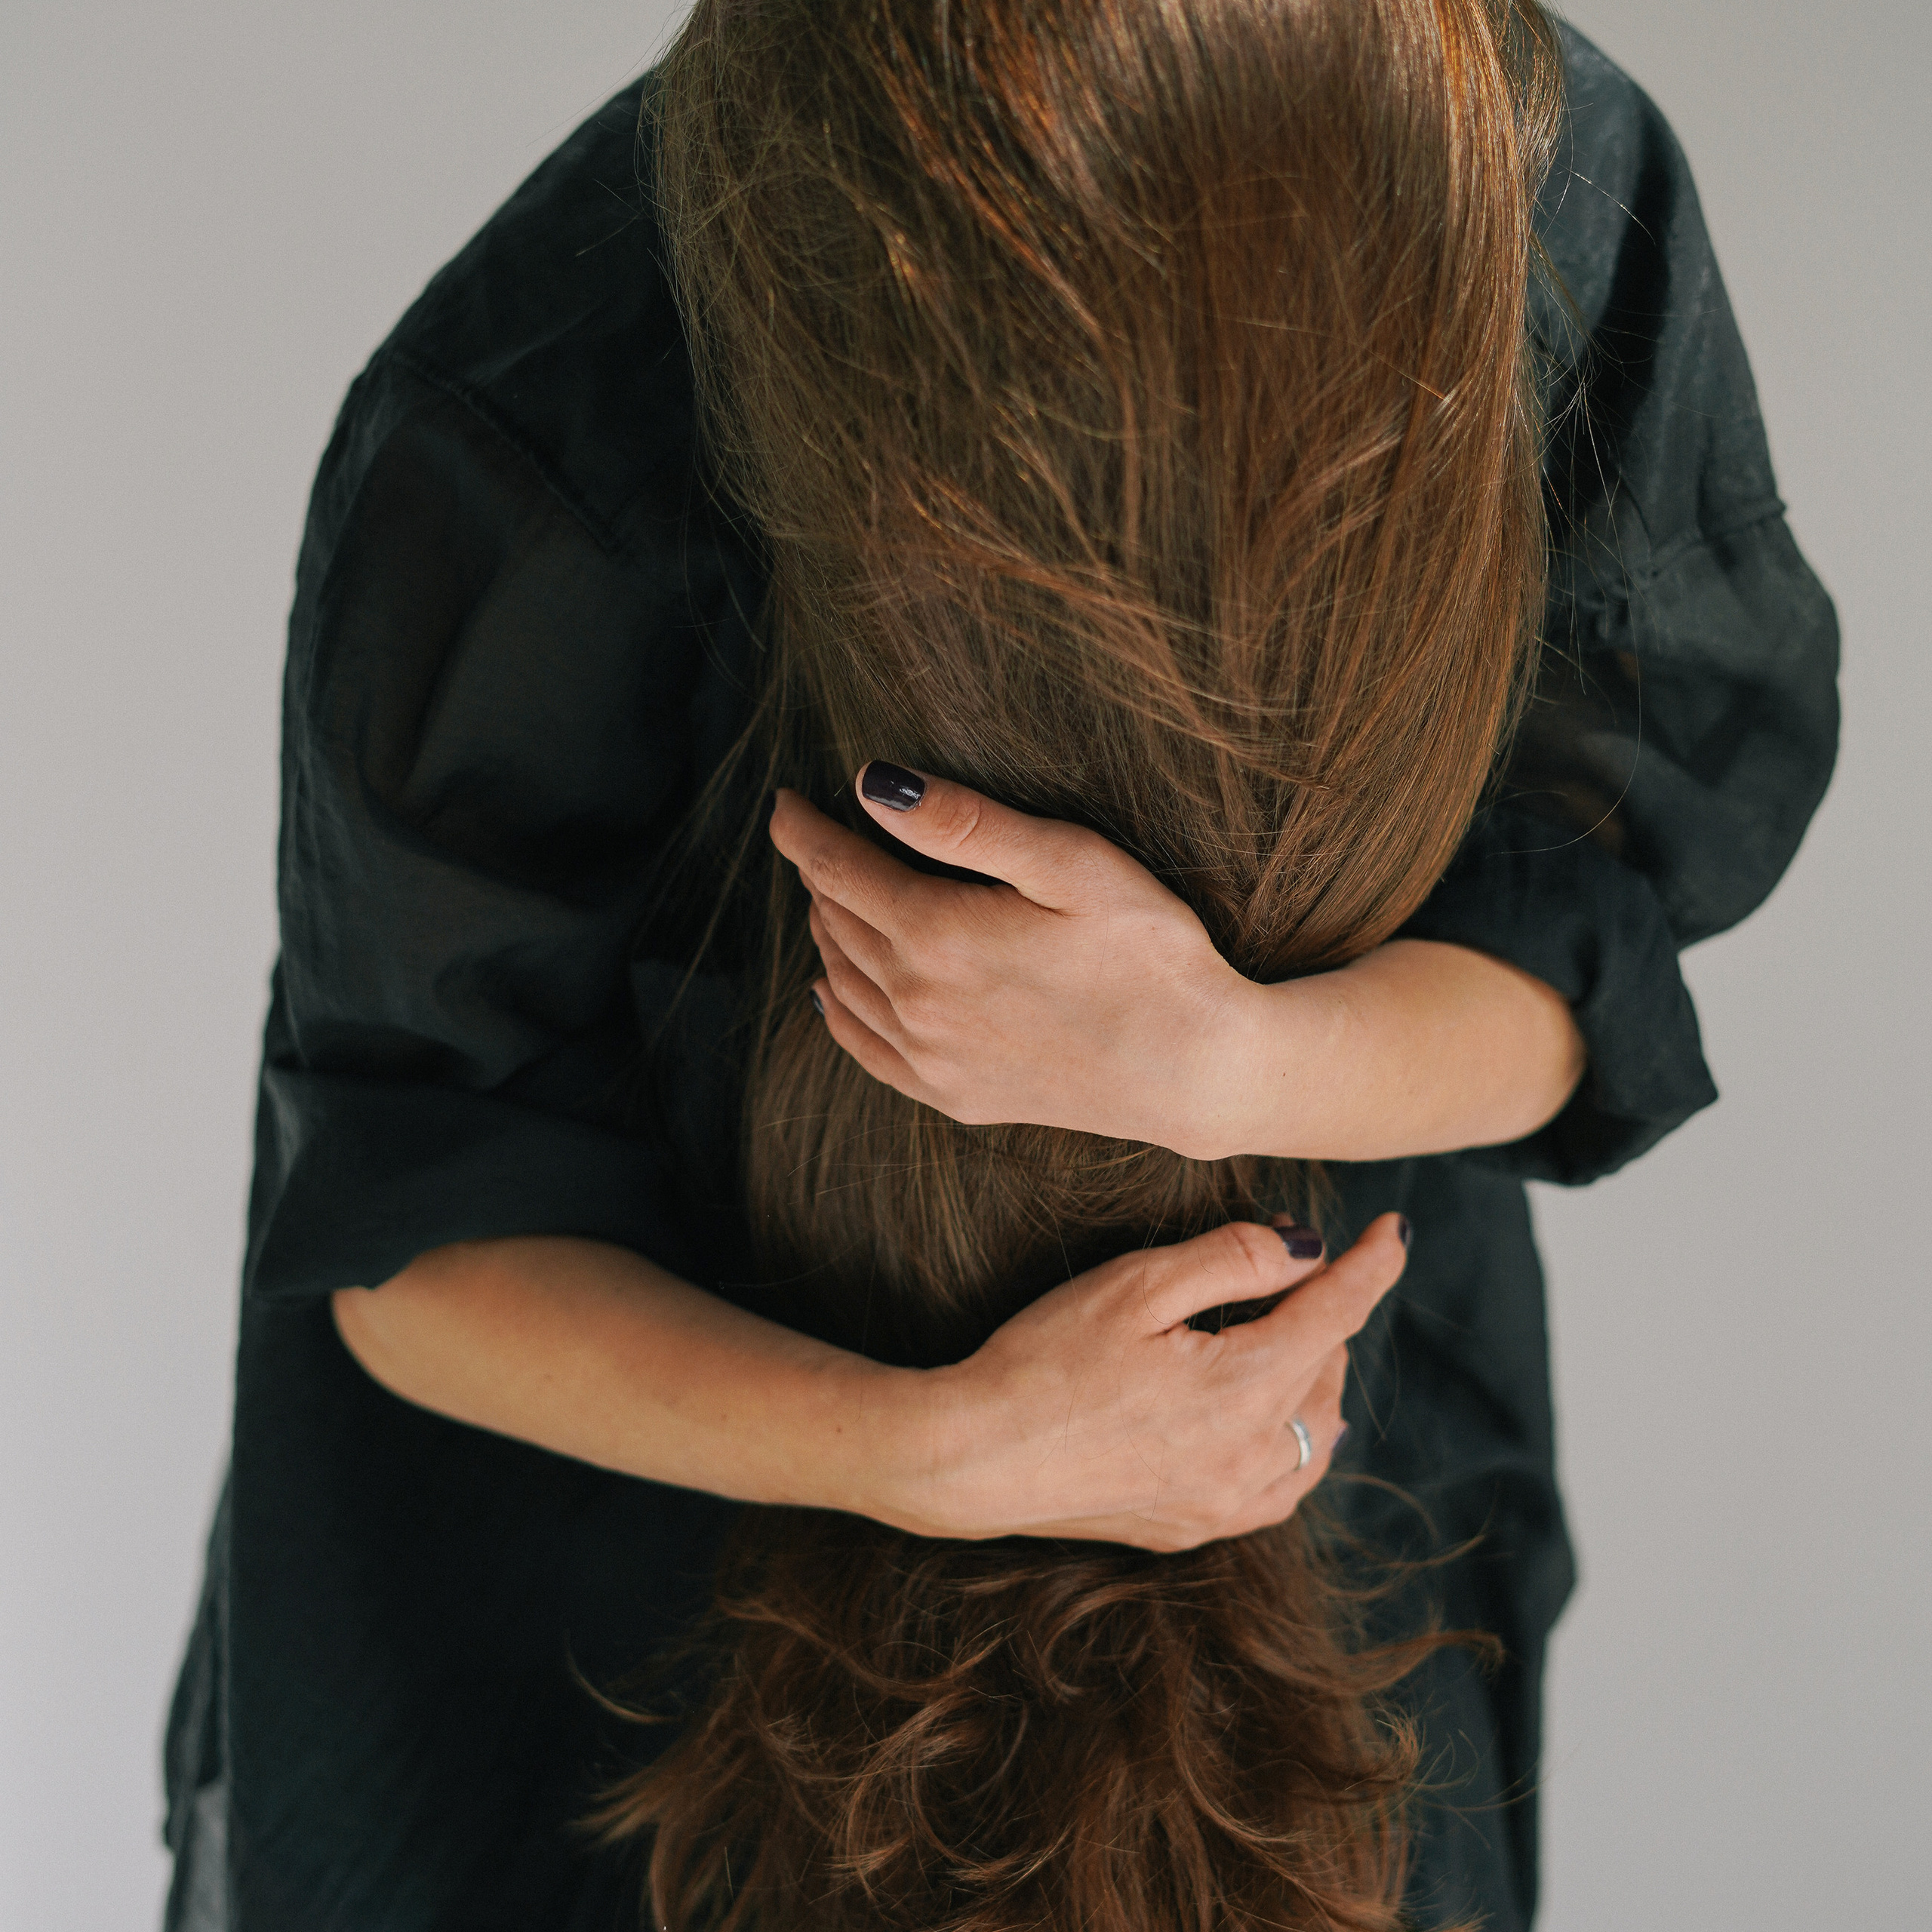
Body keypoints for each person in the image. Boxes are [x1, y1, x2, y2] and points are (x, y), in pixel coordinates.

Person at [160, 3, 1838, 1928]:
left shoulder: (1516, 175)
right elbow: (411, 1246)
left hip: (1309, 1536)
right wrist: (938, 1449)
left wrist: (1235, 1063)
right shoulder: (554, 398)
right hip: (615, 1630)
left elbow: (1594, 938)